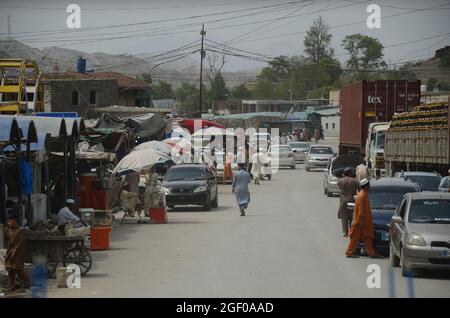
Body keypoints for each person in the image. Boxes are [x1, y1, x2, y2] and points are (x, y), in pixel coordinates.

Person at [345, 179, 383, 258]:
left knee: (367, 237)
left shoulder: (364, 195)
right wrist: (361, 222)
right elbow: (361, 210)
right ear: (365, 186)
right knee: (355, 238)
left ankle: (371, 253)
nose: (369, 187)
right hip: (360, 222)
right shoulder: (361, 196)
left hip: (364, 221)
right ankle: (349, 252)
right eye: (368, 186)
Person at [4, 209, 30, 292]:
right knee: (9, 269)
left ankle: (27, 280)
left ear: (14, 221)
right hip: (9, 252)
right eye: (7, 222)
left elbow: (20, 243)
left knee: (17, 268)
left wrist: (15, 250)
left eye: (9, 221)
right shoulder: (9, 230)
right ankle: (11, 286)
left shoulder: (20, 231)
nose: (8, 223)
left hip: (18, 253)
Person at [337, 167, 361, 237]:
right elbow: (360, 189)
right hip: (352, 200)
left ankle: (345, 232)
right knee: (351, 216)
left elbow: (339, 186)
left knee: (344, 216)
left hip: (343, 201)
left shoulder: (341, 181)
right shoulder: (354, 181)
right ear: (350, 173)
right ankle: (351, 230)